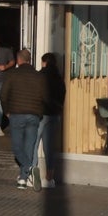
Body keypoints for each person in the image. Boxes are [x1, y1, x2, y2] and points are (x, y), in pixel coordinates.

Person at [0, 49, 46, 189]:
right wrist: (39, 112)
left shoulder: (12, 74)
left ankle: (28, 169)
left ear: (18, 60)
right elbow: (44, 97)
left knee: (17, 147)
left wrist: (6, 111)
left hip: (17, 114)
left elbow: (3, 94)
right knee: (28, 147)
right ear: (30, 59)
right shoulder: (39, 76)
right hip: (33, 116)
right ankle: (23, 179)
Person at [37, 53, 66, 188]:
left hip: (41, 114)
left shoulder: (40, 76)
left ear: (44, 63)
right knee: (49, 148)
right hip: (54, 114)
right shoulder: (59, 78)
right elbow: (62, 95)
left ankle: (32, 174)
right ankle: (49, 178)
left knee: (34, 144)